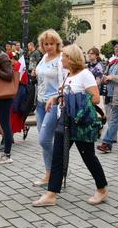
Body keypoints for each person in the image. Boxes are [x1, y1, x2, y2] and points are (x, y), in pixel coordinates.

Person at [32, 44, 108, 207]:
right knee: (58, 156)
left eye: (64, 56)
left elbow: (95, 98)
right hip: (65, 120)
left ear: (72, 58)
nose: (61, 59)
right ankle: (51, 194)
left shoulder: (85, 75)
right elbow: (64, 92)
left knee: (88, 156)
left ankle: (102, 189)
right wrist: (55, 98)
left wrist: (74, 99)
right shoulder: (68, 74)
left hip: (80, 123)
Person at [31, 29, 65, 186]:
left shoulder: (61, 59)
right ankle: (49, 173)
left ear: (57, 43)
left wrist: (58, 98)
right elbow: (39, 73)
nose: (49, 47)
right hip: (40, 103)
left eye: (52, 43)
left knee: (44, 140)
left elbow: (65, 82)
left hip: (54, 103)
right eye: (46, 44)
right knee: (44, 139)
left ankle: (60, 167)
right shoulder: (44, 57)